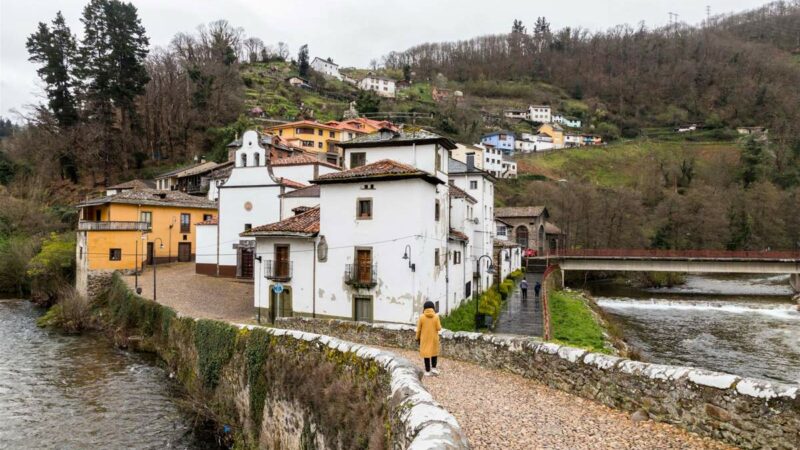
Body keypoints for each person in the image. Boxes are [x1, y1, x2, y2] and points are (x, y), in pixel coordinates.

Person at [416, 300, 441, 376]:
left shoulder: (421, 317)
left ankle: (427, 371)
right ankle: (433, 369)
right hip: (434, 338)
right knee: (434, 353)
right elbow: (439, 328)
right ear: (433, 308)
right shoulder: (436, 317)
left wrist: (417, 338)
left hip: (424, 339)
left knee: (426, 354)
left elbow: (419, 329)